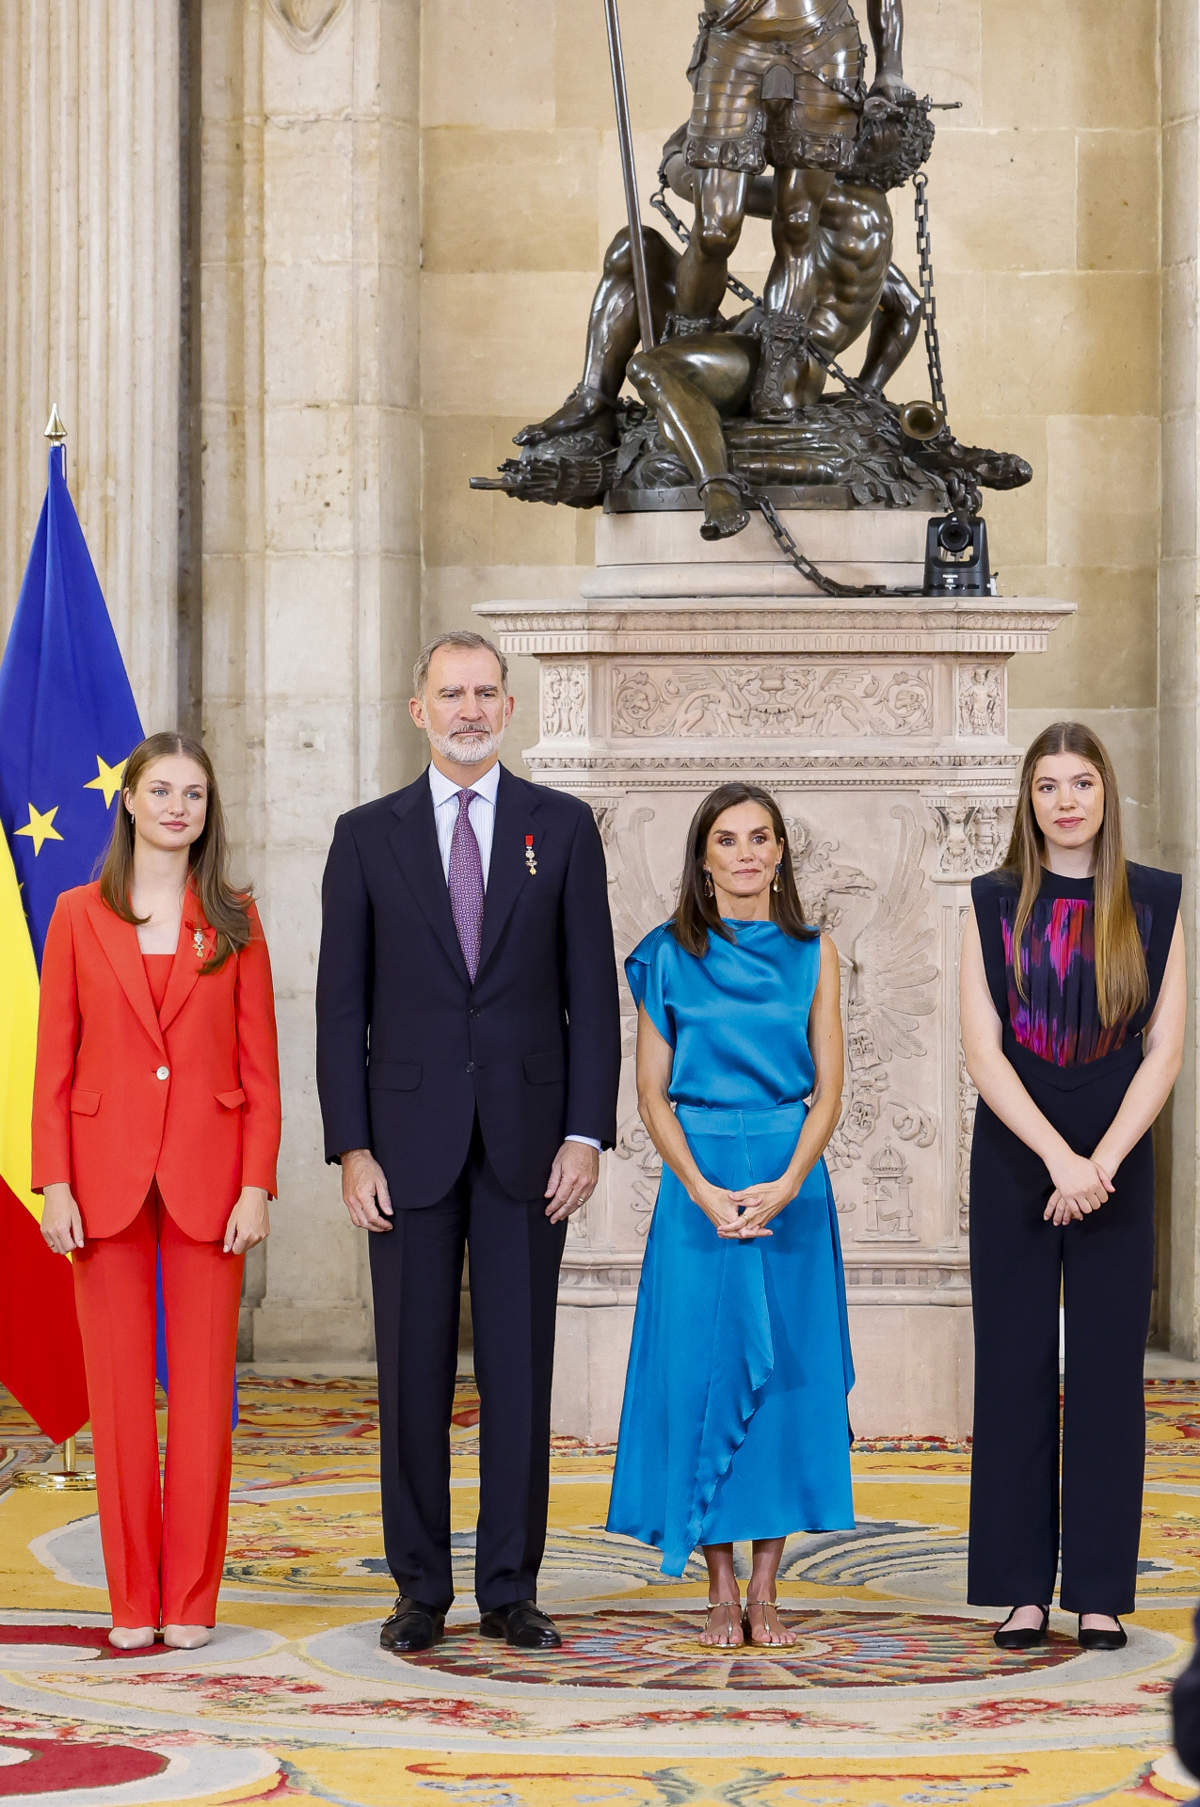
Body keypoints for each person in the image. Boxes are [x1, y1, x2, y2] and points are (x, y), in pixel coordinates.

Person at [316, 630, 621, 1655]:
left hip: (532, 1149)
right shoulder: (366, 836)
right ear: (419, 709)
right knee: (410, 1378)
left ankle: (509, 1586)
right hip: (401, 1150)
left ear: (510, 706)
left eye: (487, 691)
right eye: (451, 692)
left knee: (518, 1374)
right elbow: (337, 1008)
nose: (470, 709)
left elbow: (593, 997)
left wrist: (586, 1132)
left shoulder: (563, 829)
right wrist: (351, 1146)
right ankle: (418, 1591)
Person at [33, 732, 280, 1651]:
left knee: (207, 1402)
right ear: (130, 800)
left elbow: (261, 1068)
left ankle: (192, 1600)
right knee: (122, 1401)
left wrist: (257, 1182)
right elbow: (52, 1063)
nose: (180, 807)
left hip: (211, 1187)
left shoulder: (238, 918)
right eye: (164, 790)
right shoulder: (74, 915)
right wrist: (53, 1180)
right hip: (98, 1184)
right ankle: (133, 1600)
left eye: (197, 795)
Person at [607, 782, 854, 1648]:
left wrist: (788, 1180)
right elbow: (648, 1094)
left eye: (761, 838)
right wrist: (703, 1189)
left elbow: (830, 1088)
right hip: (697, 1184)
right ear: (703, 856)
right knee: (700, 1376)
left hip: (791, 1181)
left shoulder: (816, 953)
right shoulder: (665, 956)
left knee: (787, 1384)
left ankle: (765, 1589)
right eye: (728, 839)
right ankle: (715, 1586)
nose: (746, 852)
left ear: (781, 851)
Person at [960, 721, 1185, 1651]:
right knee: (1011, 1373)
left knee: (1105, 1377)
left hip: (1118, 1157)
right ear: (1029, 799)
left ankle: (1097, 1589)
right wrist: (1058, 1159)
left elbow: (1165, 1049)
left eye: (1081, 782)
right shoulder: (989, 899)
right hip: (1020, 1153)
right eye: (1048, 784)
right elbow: (983, 1051)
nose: (1065, 800)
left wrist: (1103, 1160)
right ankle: (1021, 1589)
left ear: (1106, 795)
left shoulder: (1160, 901)